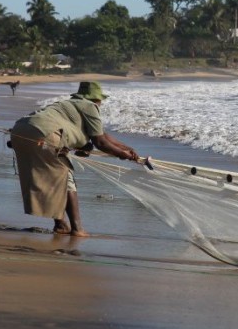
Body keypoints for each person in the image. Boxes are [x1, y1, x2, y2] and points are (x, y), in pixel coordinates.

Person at [10, 81, 142, 237]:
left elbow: (102, 135)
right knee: (66, 179)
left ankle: (60, 224)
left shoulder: (68, 104)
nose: (101, 104)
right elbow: (100, 142)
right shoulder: (90, 106)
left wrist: (126, 148)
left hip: (20, 131)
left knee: (54, 178)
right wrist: (122, 155)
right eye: (100, 100)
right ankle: (77, 229)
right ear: (95, 99)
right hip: (45, 134)